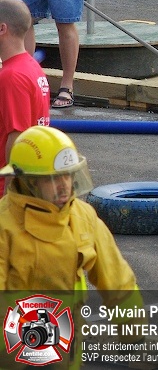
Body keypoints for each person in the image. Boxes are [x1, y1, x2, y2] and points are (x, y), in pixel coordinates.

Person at [0, 126, 143, 369]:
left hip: (69, 355)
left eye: (67, 175)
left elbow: (117, 279)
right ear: (29, 182)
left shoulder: (83, 217)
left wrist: (133, 333)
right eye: (53, 178)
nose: (64, 185)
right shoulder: (5, 226)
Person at [0, 0, 50, 195]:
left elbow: (17, 135)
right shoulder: (32, 67)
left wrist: (10, 193)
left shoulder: (11, 76)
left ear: (2, 29)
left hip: (9, 188)